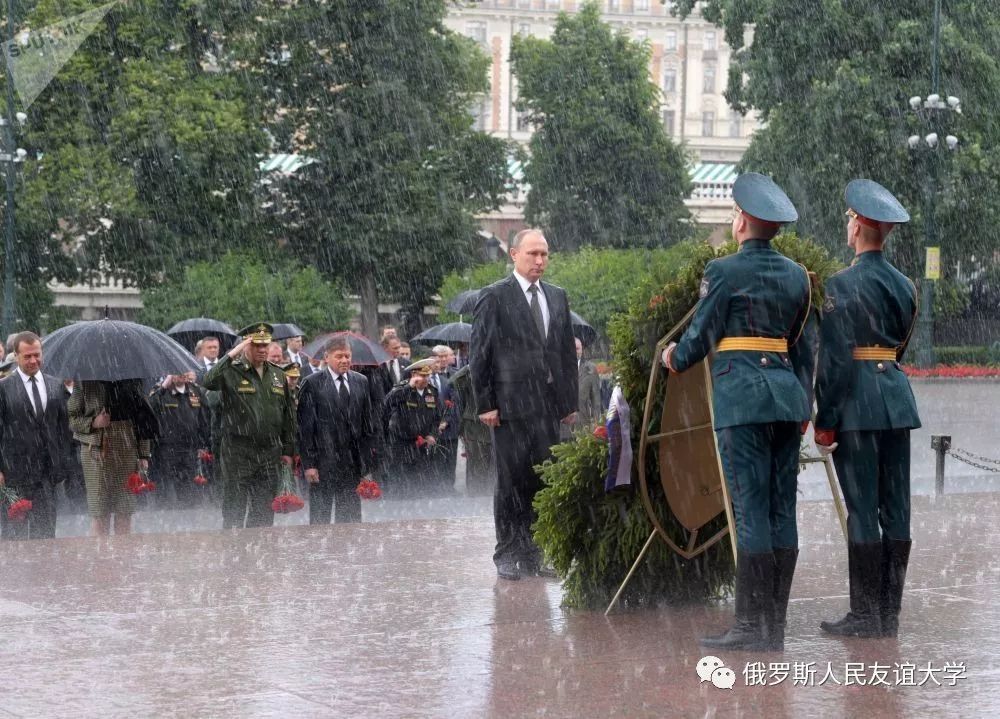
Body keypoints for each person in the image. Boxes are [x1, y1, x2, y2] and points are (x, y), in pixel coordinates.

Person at [662, 173, 813, 651]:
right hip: (787, 399)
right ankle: (775, 626)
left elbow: (699, 337)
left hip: (742, 398)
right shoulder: (797, 275)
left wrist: (672, 356)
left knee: (749, 513)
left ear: (743, 221)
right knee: (780, 510)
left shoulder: (723, 271)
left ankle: (750, 627)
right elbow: (799, 343)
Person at [815, 179, 921, 639]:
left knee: (862, 510)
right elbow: (899, 349)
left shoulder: (839, 285)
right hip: (896, 403)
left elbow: (836, 361)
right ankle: (888, 614)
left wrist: (825, 421)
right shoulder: (905, 286)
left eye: (848, 220)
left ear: (858, 226)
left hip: (858, 405)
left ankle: (864, 615)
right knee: (896, 509)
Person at [471, 228, 578, 581]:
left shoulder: (558, 297)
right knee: (510, 482)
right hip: (509, 407)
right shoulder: (494, 296)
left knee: (541, 480)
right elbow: (480, 353)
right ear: (514, 254)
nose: (540, 260)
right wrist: (486, 402)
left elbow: (564, 353)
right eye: (532, 253)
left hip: (547, 408)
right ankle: (507, 552)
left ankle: (533, 554)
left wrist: (569, 402)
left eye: (544, 254)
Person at [203, 323, 296, 529]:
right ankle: (235, 556)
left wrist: (288, 451)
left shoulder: (277, 375)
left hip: (270, 452)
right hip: (238, 451)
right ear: (246, 345)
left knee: (263, 512)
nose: (262, 350)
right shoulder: (232, 372)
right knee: (234, 510)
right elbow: (208, 381)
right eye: (256, 345)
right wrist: (232, 354)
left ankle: (259, 556)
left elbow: (288, 416)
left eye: (265, 345)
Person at [0, 332, 73, 539]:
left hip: (47, 476)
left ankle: (44, 572)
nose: (33, 360)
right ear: (16, 356)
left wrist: (62, 462)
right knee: (15, 538)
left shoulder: (55, 385)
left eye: (37, 355)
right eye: (27, 356)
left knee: (46, 536)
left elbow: (63, 427)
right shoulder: (4, 388)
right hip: (14, 476)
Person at [297, 336, 378, 524]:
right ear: (327, 357)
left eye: (348, 356)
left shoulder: (361, 381)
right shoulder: (312, 383)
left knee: (350, 516)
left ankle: (348, 550)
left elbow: (367, 422)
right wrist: (309, 463)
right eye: (339, 356)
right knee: (321, 517)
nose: (344, 361)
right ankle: (321, 551)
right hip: (323, 461)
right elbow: (305, 426)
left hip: (352, 462)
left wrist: (367, 461)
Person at [69, 378, 159, 536]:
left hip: (127, 448)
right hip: (96, 453)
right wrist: (93, 422)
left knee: (124, 510)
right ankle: (100, 558)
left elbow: (143, 418)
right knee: (100, 513)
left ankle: (123, 557)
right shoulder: (84, 380)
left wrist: (144, 454)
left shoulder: (133, 378)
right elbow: (72, 419)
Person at [382, 358, 443, 497]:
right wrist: (409, 387)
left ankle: (416, 512)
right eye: (422, 376)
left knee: (419, 482)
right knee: (399, 482)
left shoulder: (432, 391)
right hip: (400, 443)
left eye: (427, 375)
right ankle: (398, 511)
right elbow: (388, 402)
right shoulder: (402, 388)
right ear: (414, 374)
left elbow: (437, 418)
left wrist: (433, 434)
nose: (425, 379)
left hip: (420, 444)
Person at [147, 373, 210, 507]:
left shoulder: (195, 390)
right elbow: (150, 406)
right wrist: (164, 386)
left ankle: (188, 515)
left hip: (190, 447)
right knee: (167, 488)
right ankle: (166, 517)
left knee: (190, 487)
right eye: (176, 371)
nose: (182, 374)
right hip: (167, 447)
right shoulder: (161, 390)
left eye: (184, 371)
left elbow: (204, 418)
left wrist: (203, 444)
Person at [450, 363, 494, 496]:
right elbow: (453, 382)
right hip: (475, 426)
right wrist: (472, 365)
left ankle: (492, 497)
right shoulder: (471, 370)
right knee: (478, 467)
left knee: (495, 468)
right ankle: (477, 499)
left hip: (497, 423)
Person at [429, 345, 460, 494]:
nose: (439, 362)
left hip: (449, 428)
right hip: (431, 430)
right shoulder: (424, 380)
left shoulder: (448, 379)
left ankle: (449, 489)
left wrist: (446, 421)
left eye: (442, 358)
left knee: (450, 461)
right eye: (435, 359)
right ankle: (436, 490)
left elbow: (454, 402)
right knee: (435, 463)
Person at [561, 338, 603, 441]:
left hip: (583, 425)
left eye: (577, 348)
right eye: (572, 348)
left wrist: (597, 423)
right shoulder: (559, 368)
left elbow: (596, 400)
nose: (575, 351)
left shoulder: (591, 369)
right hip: (563, 427)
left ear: (582, 349)